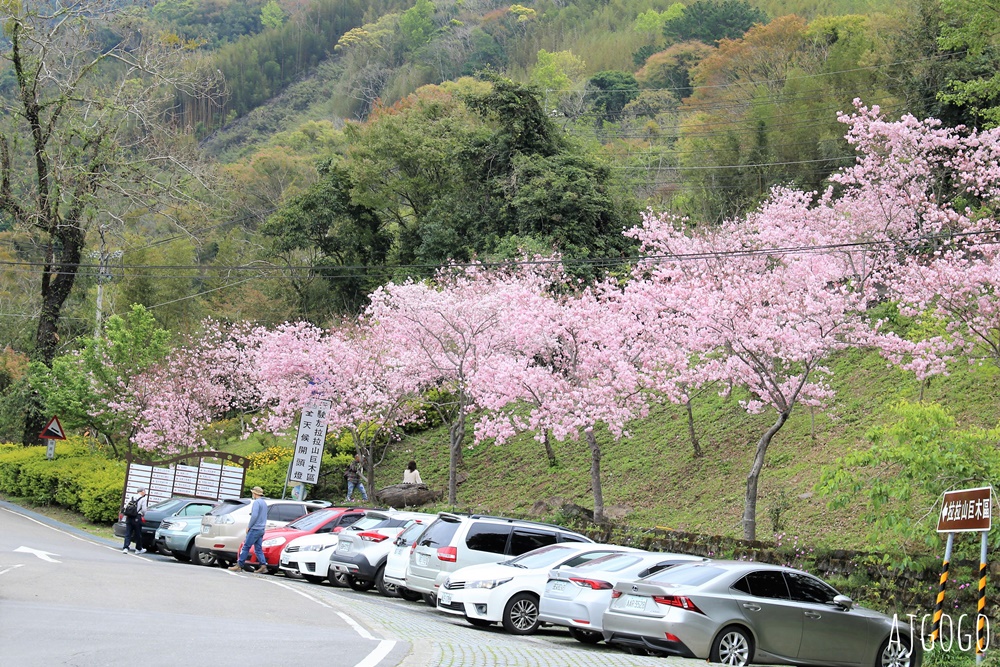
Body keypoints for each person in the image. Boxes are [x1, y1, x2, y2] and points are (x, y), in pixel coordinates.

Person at [229, 486, 268, 573]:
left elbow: (254, 515)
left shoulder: (256, 503)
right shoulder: (264, 503)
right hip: (261, 528)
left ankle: (239, 565)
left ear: (255, 494)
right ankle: (263, 565)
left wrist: (249, 526)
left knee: (246, 546)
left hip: (255, 528)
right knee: (258, 548)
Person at [121, 487, 148, 554]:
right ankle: (138, 548)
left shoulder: (132, 497)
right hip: (137, 516)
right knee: (138, 533)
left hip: (129, 516)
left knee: (128, 533)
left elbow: (126, 505)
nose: (145, 492)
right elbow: (144, 509)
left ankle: (125, 548)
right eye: (144, 491)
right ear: (142, 491)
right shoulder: (143, 499)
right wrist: (143, 515)